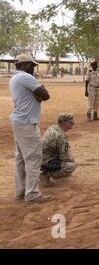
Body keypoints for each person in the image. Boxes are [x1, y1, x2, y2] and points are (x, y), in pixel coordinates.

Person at [9, 53, 52, 203]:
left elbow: (39, 94)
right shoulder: (25, 77)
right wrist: (39, 92)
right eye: (30, 65)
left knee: (21, 157)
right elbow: (45, 95)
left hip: (19, 120)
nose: (33, 68)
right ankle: (32, 193)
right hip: (27, 122)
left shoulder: (15, 78)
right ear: (21, 65)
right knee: (33, 157)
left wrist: (37, 93)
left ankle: (21, 190)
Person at [40, 113, 77, 186]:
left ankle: (46, 171)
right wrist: (71, 160)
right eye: (71, 122)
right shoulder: (61, 137)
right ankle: (45, 174)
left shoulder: (53, 127)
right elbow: (65, 156)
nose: (73, 124)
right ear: (65, 123)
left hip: (39, 157)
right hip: (45, 161)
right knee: (70, 166)